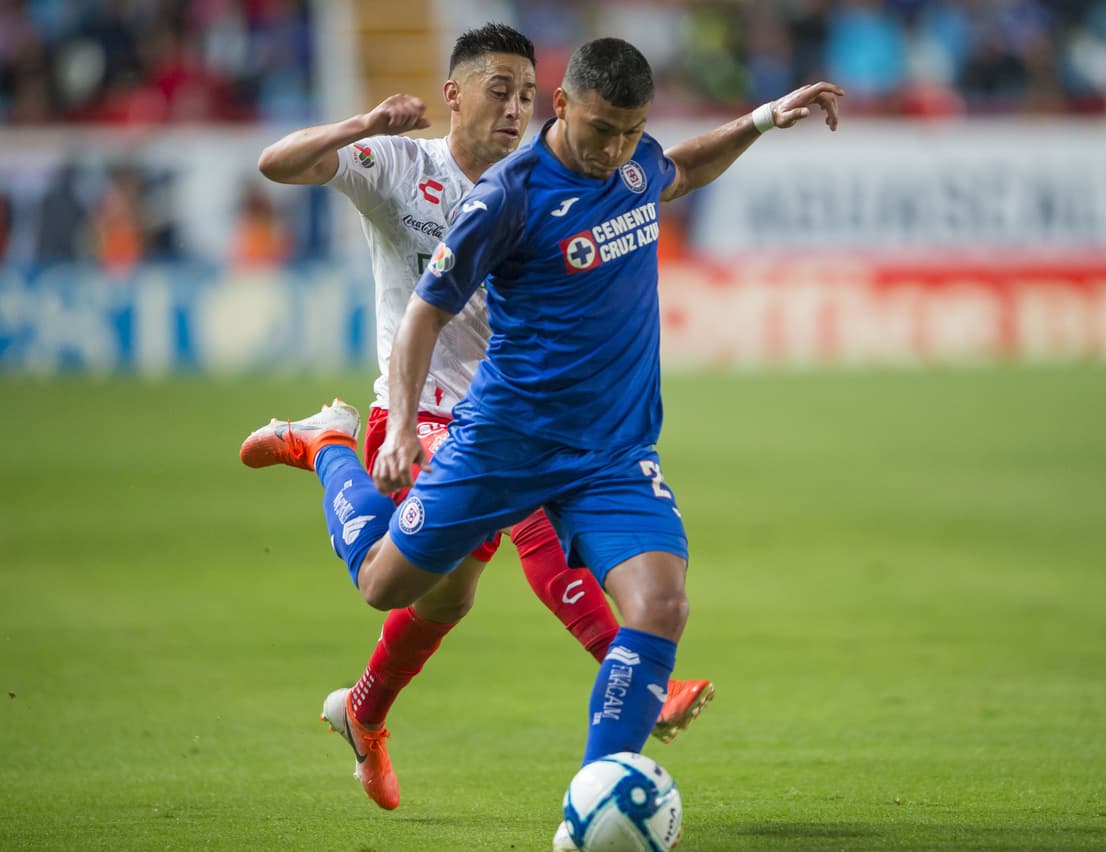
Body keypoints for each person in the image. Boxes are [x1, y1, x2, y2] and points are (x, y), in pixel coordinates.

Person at [245, 36, 841, 848]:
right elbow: (423, 310)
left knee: (661, 605)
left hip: (611, 452)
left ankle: (585, 816)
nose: (614, 150)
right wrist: (399, 429)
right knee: (387, 586)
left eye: (631, 131)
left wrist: (765, 118)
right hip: (501, 439)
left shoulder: (632, 170)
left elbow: (684, 169)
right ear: (566, 108)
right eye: (601, 129)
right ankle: (330, 447)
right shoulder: (506, 196)